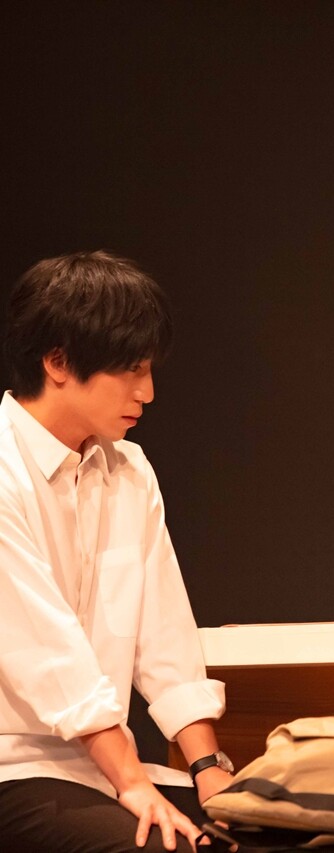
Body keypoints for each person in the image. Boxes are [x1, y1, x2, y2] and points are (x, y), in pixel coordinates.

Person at [0, 251, 233, 851]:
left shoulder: (128, 469)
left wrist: (209, 771)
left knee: (276, 831)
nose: (147, 392)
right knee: (167, 847)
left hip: (97, 771)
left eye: (149, 370)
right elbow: (45, 652)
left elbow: (164, 633)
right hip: (14, 769)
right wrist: (131, 782)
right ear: (57, 361)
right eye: (131, 370)